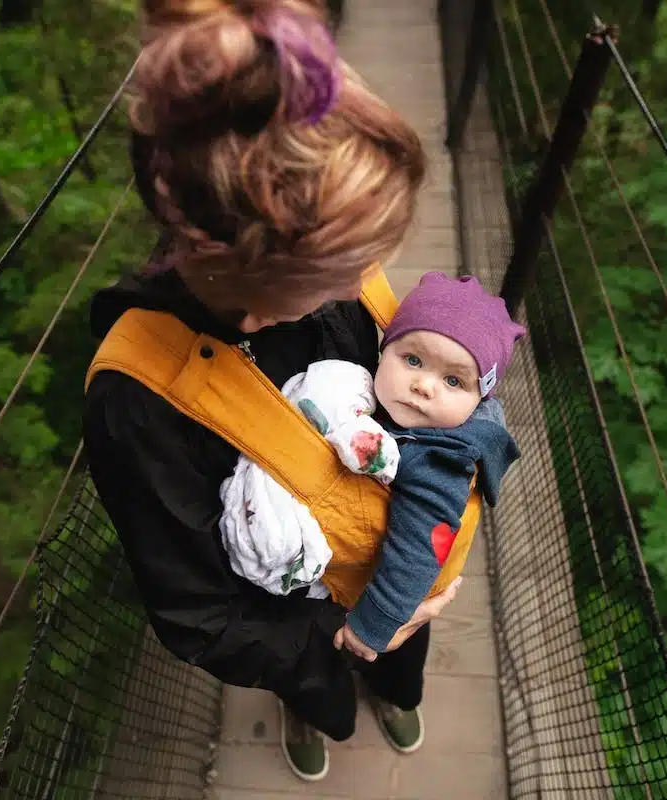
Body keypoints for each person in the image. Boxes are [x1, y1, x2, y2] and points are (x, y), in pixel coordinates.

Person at [82, 0, 464, 783]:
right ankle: (317, 709)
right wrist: (352, 632)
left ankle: (395, 691)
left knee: (402, 660)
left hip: (394, 556)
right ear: (262, 295)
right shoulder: (139, 402)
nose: (363, 284)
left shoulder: (336, 287)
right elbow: (200, 616)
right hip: (299, 622)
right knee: (319, 687)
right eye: (340, 274)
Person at [217, 272, 526, 666]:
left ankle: (397, 699)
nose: (424, 386)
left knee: (397, 663)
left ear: (478, 398)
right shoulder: (402, 413)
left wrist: (374, 626)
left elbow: (420, 547)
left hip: (394, 598)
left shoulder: (439, 461)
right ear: (385, 350)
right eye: (413, 360)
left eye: (453, 380)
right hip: (372, 577)